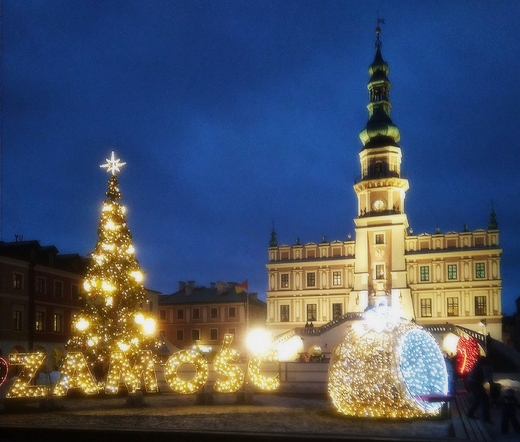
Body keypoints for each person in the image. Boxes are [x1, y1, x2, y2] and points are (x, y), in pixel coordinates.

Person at [466, 355, 494, 423]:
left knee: (479, 399)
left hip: (472, 382)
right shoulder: (485, 365)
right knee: (485, 400)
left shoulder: (479, 364)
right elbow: (488, 376)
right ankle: (486, 418)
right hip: (475, 383)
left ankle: (470, 413)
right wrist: (492, 385)